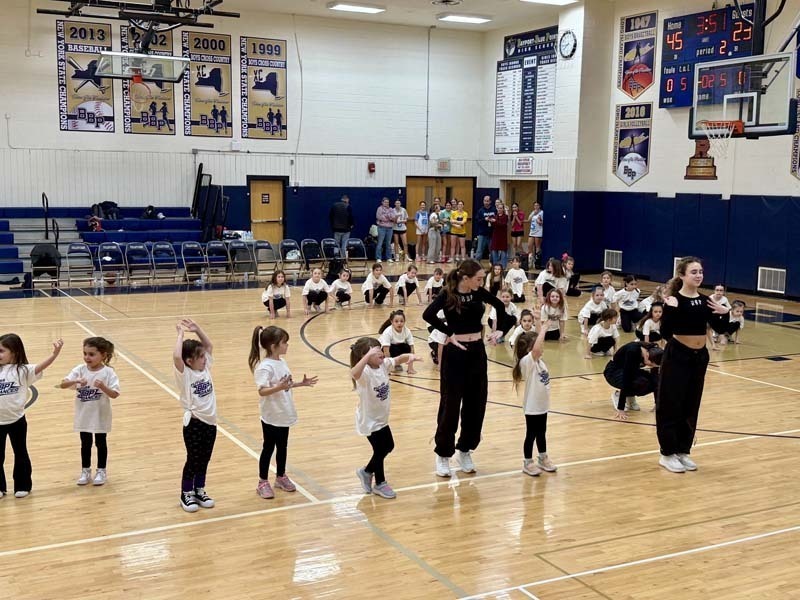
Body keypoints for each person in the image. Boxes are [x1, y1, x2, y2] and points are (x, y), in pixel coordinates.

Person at [422, 260, 514, 477]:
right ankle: (443, 454)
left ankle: (465, 449)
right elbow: (428, 315)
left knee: (476, 404)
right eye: (479, 279)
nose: (482, 282)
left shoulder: (478, 292)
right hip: (455, 353)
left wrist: (501, 331)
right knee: (450, 406)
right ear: (465, 278)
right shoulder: (448, 294)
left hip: (477, 352)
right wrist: (449, 333)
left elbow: (501, 307)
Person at [657, 256, 730, 473]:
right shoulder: (674, 300)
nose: (699, 276)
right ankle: (667, 453)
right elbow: (665, 333)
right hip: (677, 355)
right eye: (694, 272)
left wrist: (725, 314)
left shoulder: (706, 301)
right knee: (671, 403)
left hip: (699, 358)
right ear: (682, 275)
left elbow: (719, 328)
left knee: (691, 403)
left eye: (701, 272)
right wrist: (670, 310)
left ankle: (683, 450)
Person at [249, 326, 318, 500]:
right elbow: (262, 391)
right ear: (273, 346)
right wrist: (279, 387)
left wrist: (300, 384)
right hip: (272, 415)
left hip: (284, 413)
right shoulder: (265, 367)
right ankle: (262, 482)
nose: (287, 345)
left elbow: (286, 384)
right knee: (268, 448)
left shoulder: (282, 362)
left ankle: (280, 476)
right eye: (284, 342)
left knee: (282, 447)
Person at [351, 338, 421, 499]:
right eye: (376, 352)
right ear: (365, 356)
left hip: (381, 418)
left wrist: (410, 356)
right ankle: (380, 483)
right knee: (381, 449)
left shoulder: (383, 365)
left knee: (388, 446)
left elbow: (398, 359)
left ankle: (367, 471)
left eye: (380, 350)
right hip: (369, 420)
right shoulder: (364, 373)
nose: (381, 354)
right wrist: (367, 355)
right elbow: (354, 373)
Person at [0, 334, 62, 499]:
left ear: (14, 352)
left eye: (1, 351)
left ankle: (23, 485)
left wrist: (54, 354)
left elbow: (41, 366)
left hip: (17, 420)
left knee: (20, 453)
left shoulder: (23, 370)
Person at [59, 337, 120, 487]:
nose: (87, 357)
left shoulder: (108, 372)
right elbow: (62, 384)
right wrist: (75, 381)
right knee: (85, 444)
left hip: (100, 415)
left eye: (91, 354)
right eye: (85, 353)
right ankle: (85, 471)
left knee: (101, 443)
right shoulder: (80, 370)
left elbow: (115, 394)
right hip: (84, 416)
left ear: (103, 355)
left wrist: (103, 387)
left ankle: (101, 471)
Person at [173, 319, 218, 512]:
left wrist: (197, 329)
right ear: (190, 361)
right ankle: (186, 493)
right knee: (193, 458)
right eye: (200, 357)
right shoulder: (186, 374)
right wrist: (180, 336)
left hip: (211, 423)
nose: (204, 358)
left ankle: (199, 489)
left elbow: (209, 346)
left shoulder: (205, 368)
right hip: (194, 424)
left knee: (205, 458)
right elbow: (177, 357)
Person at [512, 331, 557, 476]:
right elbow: (536, 349)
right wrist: (544, 328)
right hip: (532, 407)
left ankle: (543, 458)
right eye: (538, 345)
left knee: (541, 433)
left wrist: (539, 323)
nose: (541, 347)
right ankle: (527, 462)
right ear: (529, 350)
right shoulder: (527, 362)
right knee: (531, 434)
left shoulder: (538, 361)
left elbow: (537, 345)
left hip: (542, 406)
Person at [604, 341, 663, 418]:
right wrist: (621, 409)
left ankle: (629, 397)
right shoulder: (632, 352)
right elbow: (626, 379)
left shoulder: (654, 351)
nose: (651, 366)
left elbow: (655, 379)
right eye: (651, 364)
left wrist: (657, 404)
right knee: (641, 382)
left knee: (654, 381)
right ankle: (618, 395)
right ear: (647, 356)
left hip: (630, 371)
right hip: (613, 372)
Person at [379, 310, 417, 374]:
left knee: (407, 347)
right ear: (392, 322)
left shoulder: (407, 331)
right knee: (394, 348)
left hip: (395, 348)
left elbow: (412, 350)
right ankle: (387, 365)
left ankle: (397, 363)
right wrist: (388, 369)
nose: (399, 323)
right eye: (396, 321)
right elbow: (386, 351)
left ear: (404, 322)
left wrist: (410, 368)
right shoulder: (388, 332)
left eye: (401, 321)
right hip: (382, 351)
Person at [474, 195, 496, 263]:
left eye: (487, 201)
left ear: (490, 201)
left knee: (492, 250)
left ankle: (493, 265)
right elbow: (477, 220)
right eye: (485, 201)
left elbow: (497, 219)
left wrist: (493, 220)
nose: (486, 202)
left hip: (492, 234)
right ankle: (477, 264)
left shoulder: (494, 210)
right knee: (479, 250)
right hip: (482, 233)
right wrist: (484, 219)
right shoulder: (480, 210)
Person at [375, 197, 396, 262]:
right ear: (382, 202)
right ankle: (378, 258)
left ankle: (389, 258)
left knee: (388, 243)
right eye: (385, 202)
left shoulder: (391, 209)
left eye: (388, 202)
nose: (387, 203)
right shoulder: (379, 208)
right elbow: (379, 217)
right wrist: (389, 217)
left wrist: (386, 216)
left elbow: (393, 217)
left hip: (390, 228)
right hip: (382, 228)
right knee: (380, 243)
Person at [490, 203, 509, 268]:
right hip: (495, 236)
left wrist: (495, 221)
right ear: (497, 208)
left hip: (502, 237)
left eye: (501, 208)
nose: (499, 209)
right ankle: (495, 267)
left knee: (503, 252)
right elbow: (493, 225)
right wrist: (490, 221)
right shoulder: (494, 216)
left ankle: (503, 267)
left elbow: (503, 224)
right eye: (498, 208)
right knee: (494, 251)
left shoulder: (505, 217)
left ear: (503, 209)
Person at [526, 201, 544, 268]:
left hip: (538, 232)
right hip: (532, 231)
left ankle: (537, 262)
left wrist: (540, 222)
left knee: (537, 247)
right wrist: (533, 213)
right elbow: (528, 220)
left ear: (539, 206)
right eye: (535, 205)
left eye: (537, 205)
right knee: (529, 246)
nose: (536, 207)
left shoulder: (542, 212)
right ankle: (531, 260)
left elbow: (543, 222)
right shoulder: (533, 212)